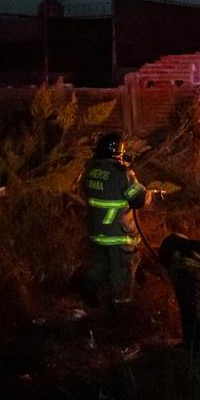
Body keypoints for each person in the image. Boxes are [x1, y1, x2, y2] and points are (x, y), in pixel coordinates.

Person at [81, 132, 154, 316]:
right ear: (118, 152)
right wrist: (149, 193)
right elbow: (139, 199)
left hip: (96, 232)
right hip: (118, 234)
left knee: (100, 265)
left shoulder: (90, 170)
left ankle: (88, 292)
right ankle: (120, 311)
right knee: (122, 271)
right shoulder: (123, 174)